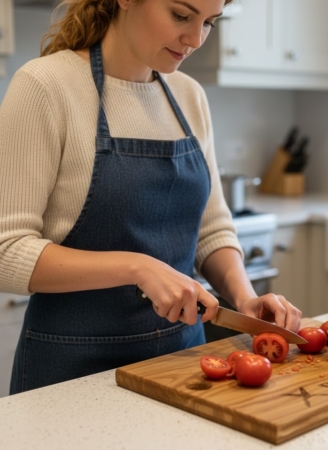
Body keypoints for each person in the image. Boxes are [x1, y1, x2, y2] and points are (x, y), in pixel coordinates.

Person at [0, 0, 302, 395]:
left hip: (182, 364)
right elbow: (7, 251)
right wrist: (137, 267)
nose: (195, 40)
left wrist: (243, 297)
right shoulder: (46, 86)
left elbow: (212, 228)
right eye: (181, 15)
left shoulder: (189, 95)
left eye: (209, 22)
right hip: (71, 370)